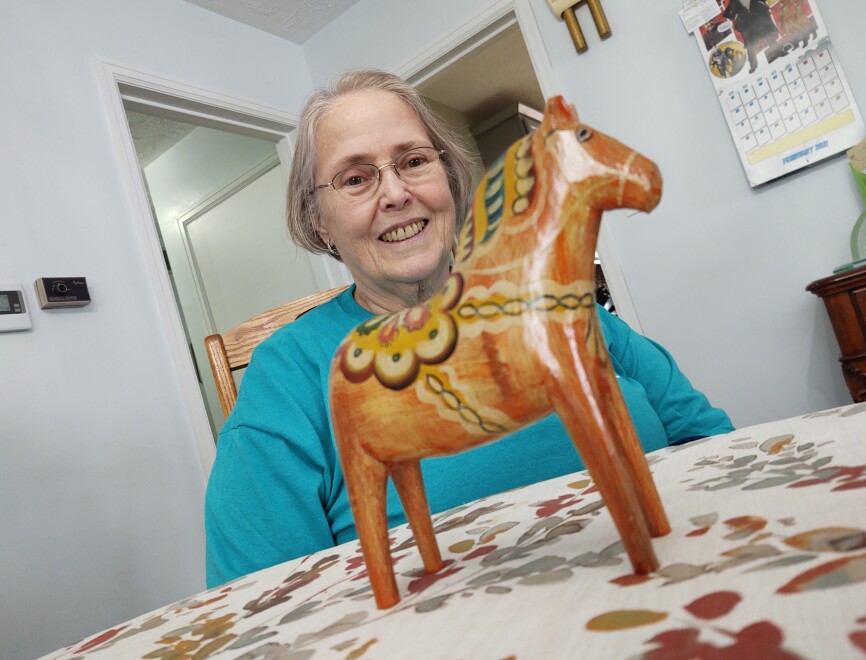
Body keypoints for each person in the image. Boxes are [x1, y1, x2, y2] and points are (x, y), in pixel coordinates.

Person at [204, 69, 734, 588]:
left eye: (413, 161)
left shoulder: (564, 310)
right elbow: (260, 605)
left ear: (450, 181)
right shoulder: (286, 379)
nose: (394, 194)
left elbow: (716, 448)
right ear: (319, 219)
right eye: (356, 178)